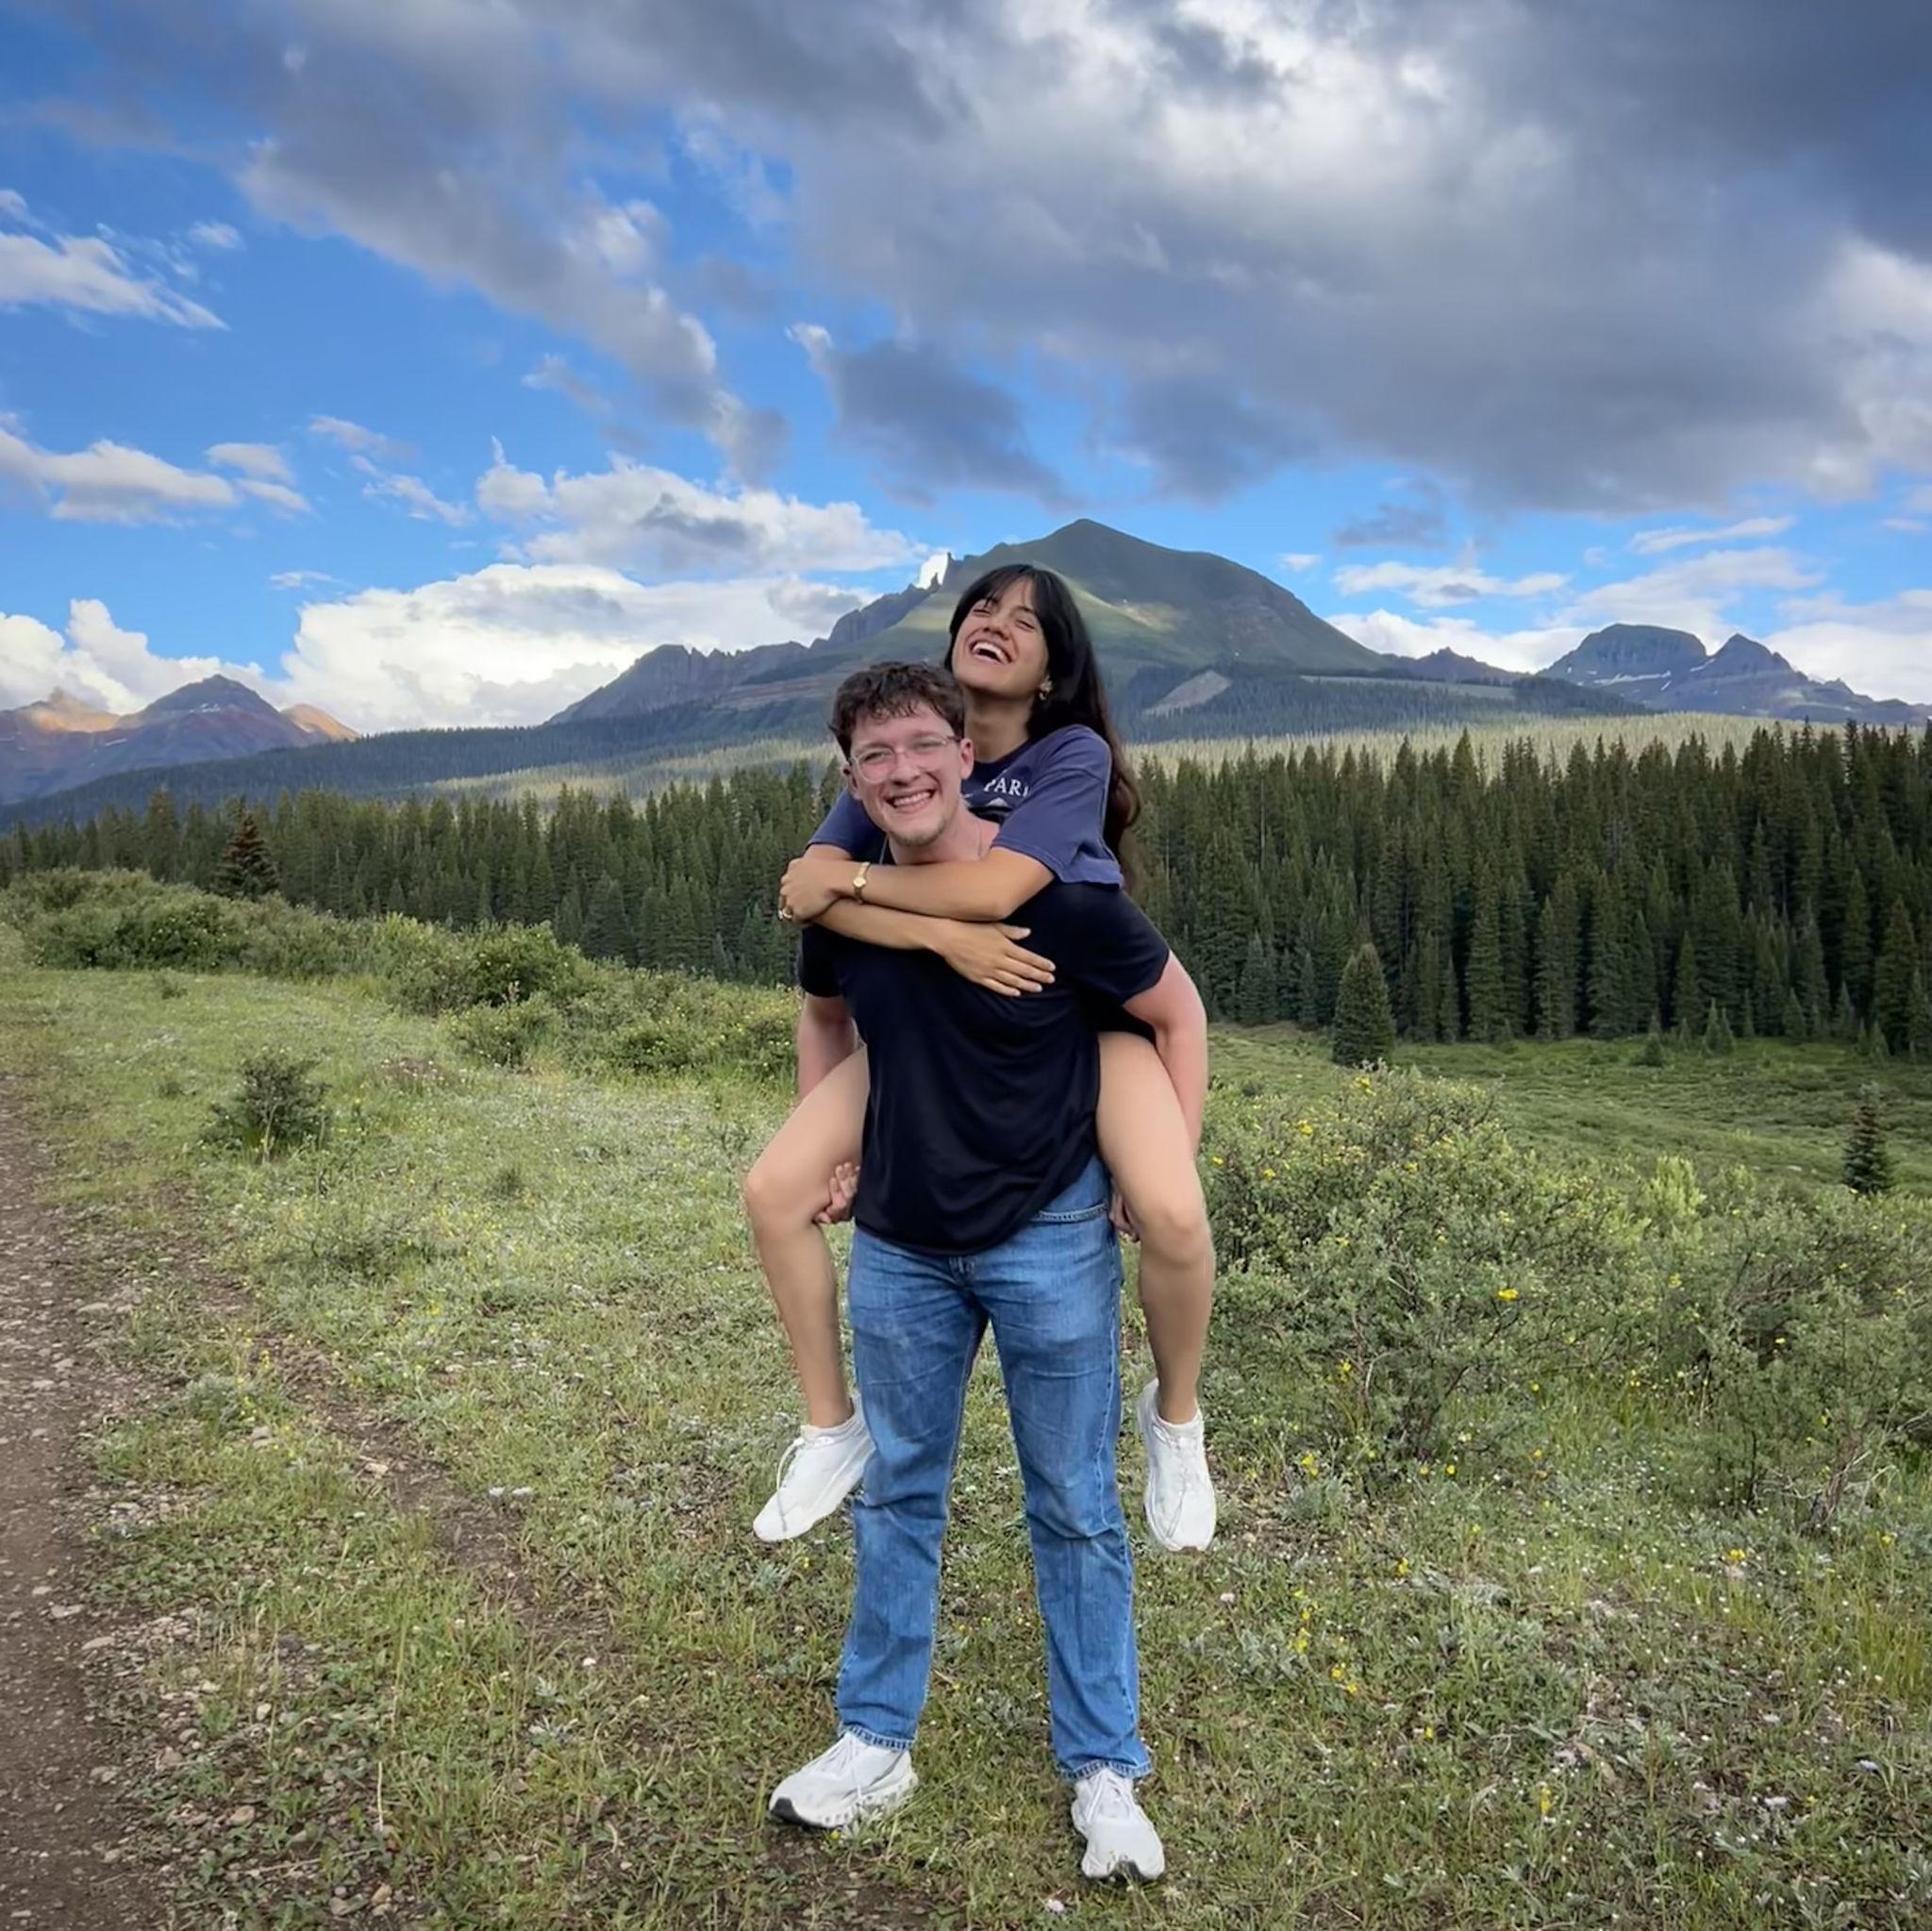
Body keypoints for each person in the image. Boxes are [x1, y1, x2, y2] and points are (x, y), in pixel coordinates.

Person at [766, 662, 1204, 1882]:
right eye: (873, 757)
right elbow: (824, 1016)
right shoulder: (841, 908)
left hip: (1050, 1233)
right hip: (902, 1241)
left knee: (1075, 1502)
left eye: (920, 744)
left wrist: (1156, 1156)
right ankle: (874, 1739)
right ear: (849, 781)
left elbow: (1174, 1009)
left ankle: (1105, 1767)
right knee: (899, 1490)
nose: (899, 770)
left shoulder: (1056, 893)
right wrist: (833, 1138)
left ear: (968, 752)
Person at [742, 565, 1216, 1555]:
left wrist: (1176, 1137)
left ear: (1049, 671)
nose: (995, 623)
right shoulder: (900, 755)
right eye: (982, 607)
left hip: (1082, 1017)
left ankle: (1174, 1421)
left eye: (1026, 621)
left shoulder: (1066, 752)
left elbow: (990, 891)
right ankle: (831, 1428)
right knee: (773, 1188)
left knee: (1172, 1211)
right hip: (941, 1031)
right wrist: (941, 943)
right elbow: (815, 892)